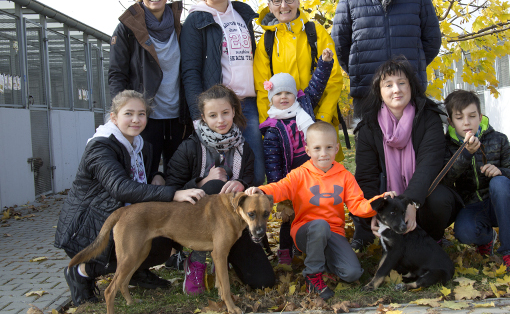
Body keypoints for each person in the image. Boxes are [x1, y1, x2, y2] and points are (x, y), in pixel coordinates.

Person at [54, 90, 204, 306]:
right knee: (151, 239)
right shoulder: (100, 147)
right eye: (129, 113)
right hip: (90, 228)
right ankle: (81, 271)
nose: (136, 119)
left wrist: (158, 177)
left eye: (141, 114)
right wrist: (174, 193)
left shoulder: (140, 145)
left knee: (164, 240)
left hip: (125, 219)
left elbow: (144, 177)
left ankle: (135, 270)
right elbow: (120, 187)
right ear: (114, 117)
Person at [246, 122, 395, 300]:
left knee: (352, 273)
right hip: (305, 231)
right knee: (320, 226)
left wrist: (379, 202)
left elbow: (357, 205)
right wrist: (262, 191)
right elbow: (280, 188)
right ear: (308, 150)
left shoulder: (344, 176)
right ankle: (313, 275)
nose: (323, 153)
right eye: (317, 148)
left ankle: (324, 263)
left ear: (336, 148)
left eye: (328, 148)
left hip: (334, 232)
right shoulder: (300, 174)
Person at [165, 84, 275, 295]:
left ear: (234, 111)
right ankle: (196, 261)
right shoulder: (190, 147)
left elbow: (253, 185)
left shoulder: (245, 148)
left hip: (235, 223)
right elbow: (172, 189)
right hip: (195, 224)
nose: (221, 120)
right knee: (215, 186)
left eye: (225, 113)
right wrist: (201, 183)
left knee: (264, 281)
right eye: (213, 115)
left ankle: (224, 258)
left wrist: (243, 185)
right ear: (203, 118)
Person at [352, 57, 460, 251]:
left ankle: (432, 240)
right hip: (387, 198)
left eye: (402, 83)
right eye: (388, 85)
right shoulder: (369, 126)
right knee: (358, 200)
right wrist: (376, 209)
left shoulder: (429, 118)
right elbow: (366, 176)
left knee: (440, 199)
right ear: (379, 91)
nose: (396, 90)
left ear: (411, 87)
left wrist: (411, 201)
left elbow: (429, 165)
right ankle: (368, 237)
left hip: (422, 195)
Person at [332, 0, 441, 118]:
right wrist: (361, 69)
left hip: (409, 92)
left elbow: (432, 40)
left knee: (413, 146)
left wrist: (410, 69)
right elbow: (339, 46)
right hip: (367, 93)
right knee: (370, 147)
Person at [180, 0, 265, 186]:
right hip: (217, 110)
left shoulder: (242, 14)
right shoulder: (196, 20)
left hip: (249, 106)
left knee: (255, 172)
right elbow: (190, 72)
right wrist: (199, 116)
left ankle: (252, 221)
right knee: (224, 175)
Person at [109, 0, 191, 176]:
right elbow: (117, 74)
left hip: (179, 119)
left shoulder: (182, 29)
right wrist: (122, 113)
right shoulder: (127, 29)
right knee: (144, 178)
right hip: (145, 118)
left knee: (179, 179)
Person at [253, 0, 344, 161]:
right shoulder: (266, 41)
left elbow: (333, 79)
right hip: (284, 128)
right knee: (290, 180)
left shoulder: (316, 32)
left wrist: (322, 120)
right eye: (277, 1)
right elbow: (262, 90)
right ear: (270, 6)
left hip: (317, 120)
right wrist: (269, 126)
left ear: (298, 1)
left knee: (323, 179)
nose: (284, 5)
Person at [442, 90, 510, 272]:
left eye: (472, 116)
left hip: (501, 203)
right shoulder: (447, 146)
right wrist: (465, 155)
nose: (466, 122)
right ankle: (486, 238)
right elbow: (445, 180)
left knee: (499, 182)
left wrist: (501, 171)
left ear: (480, 116)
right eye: (459, 118)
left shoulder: (497, 139)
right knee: (465, 232)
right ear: (450, 121)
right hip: (471, 206)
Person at [260, 48, 334, 264]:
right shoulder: (272, 128)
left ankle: (313, 247)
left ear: (295, 95)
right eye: (278, 94)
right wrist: (279, 193)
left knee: (315, 208)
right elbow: (272, 162)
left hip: (313, 171)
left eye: (288, 93)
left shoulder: (305, 107)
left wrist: (325, 63)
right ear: (271, 98)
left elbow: (317, 84)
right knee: (289, 216)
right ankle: (285, 250)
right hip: (291, 176)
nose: (283, 97)